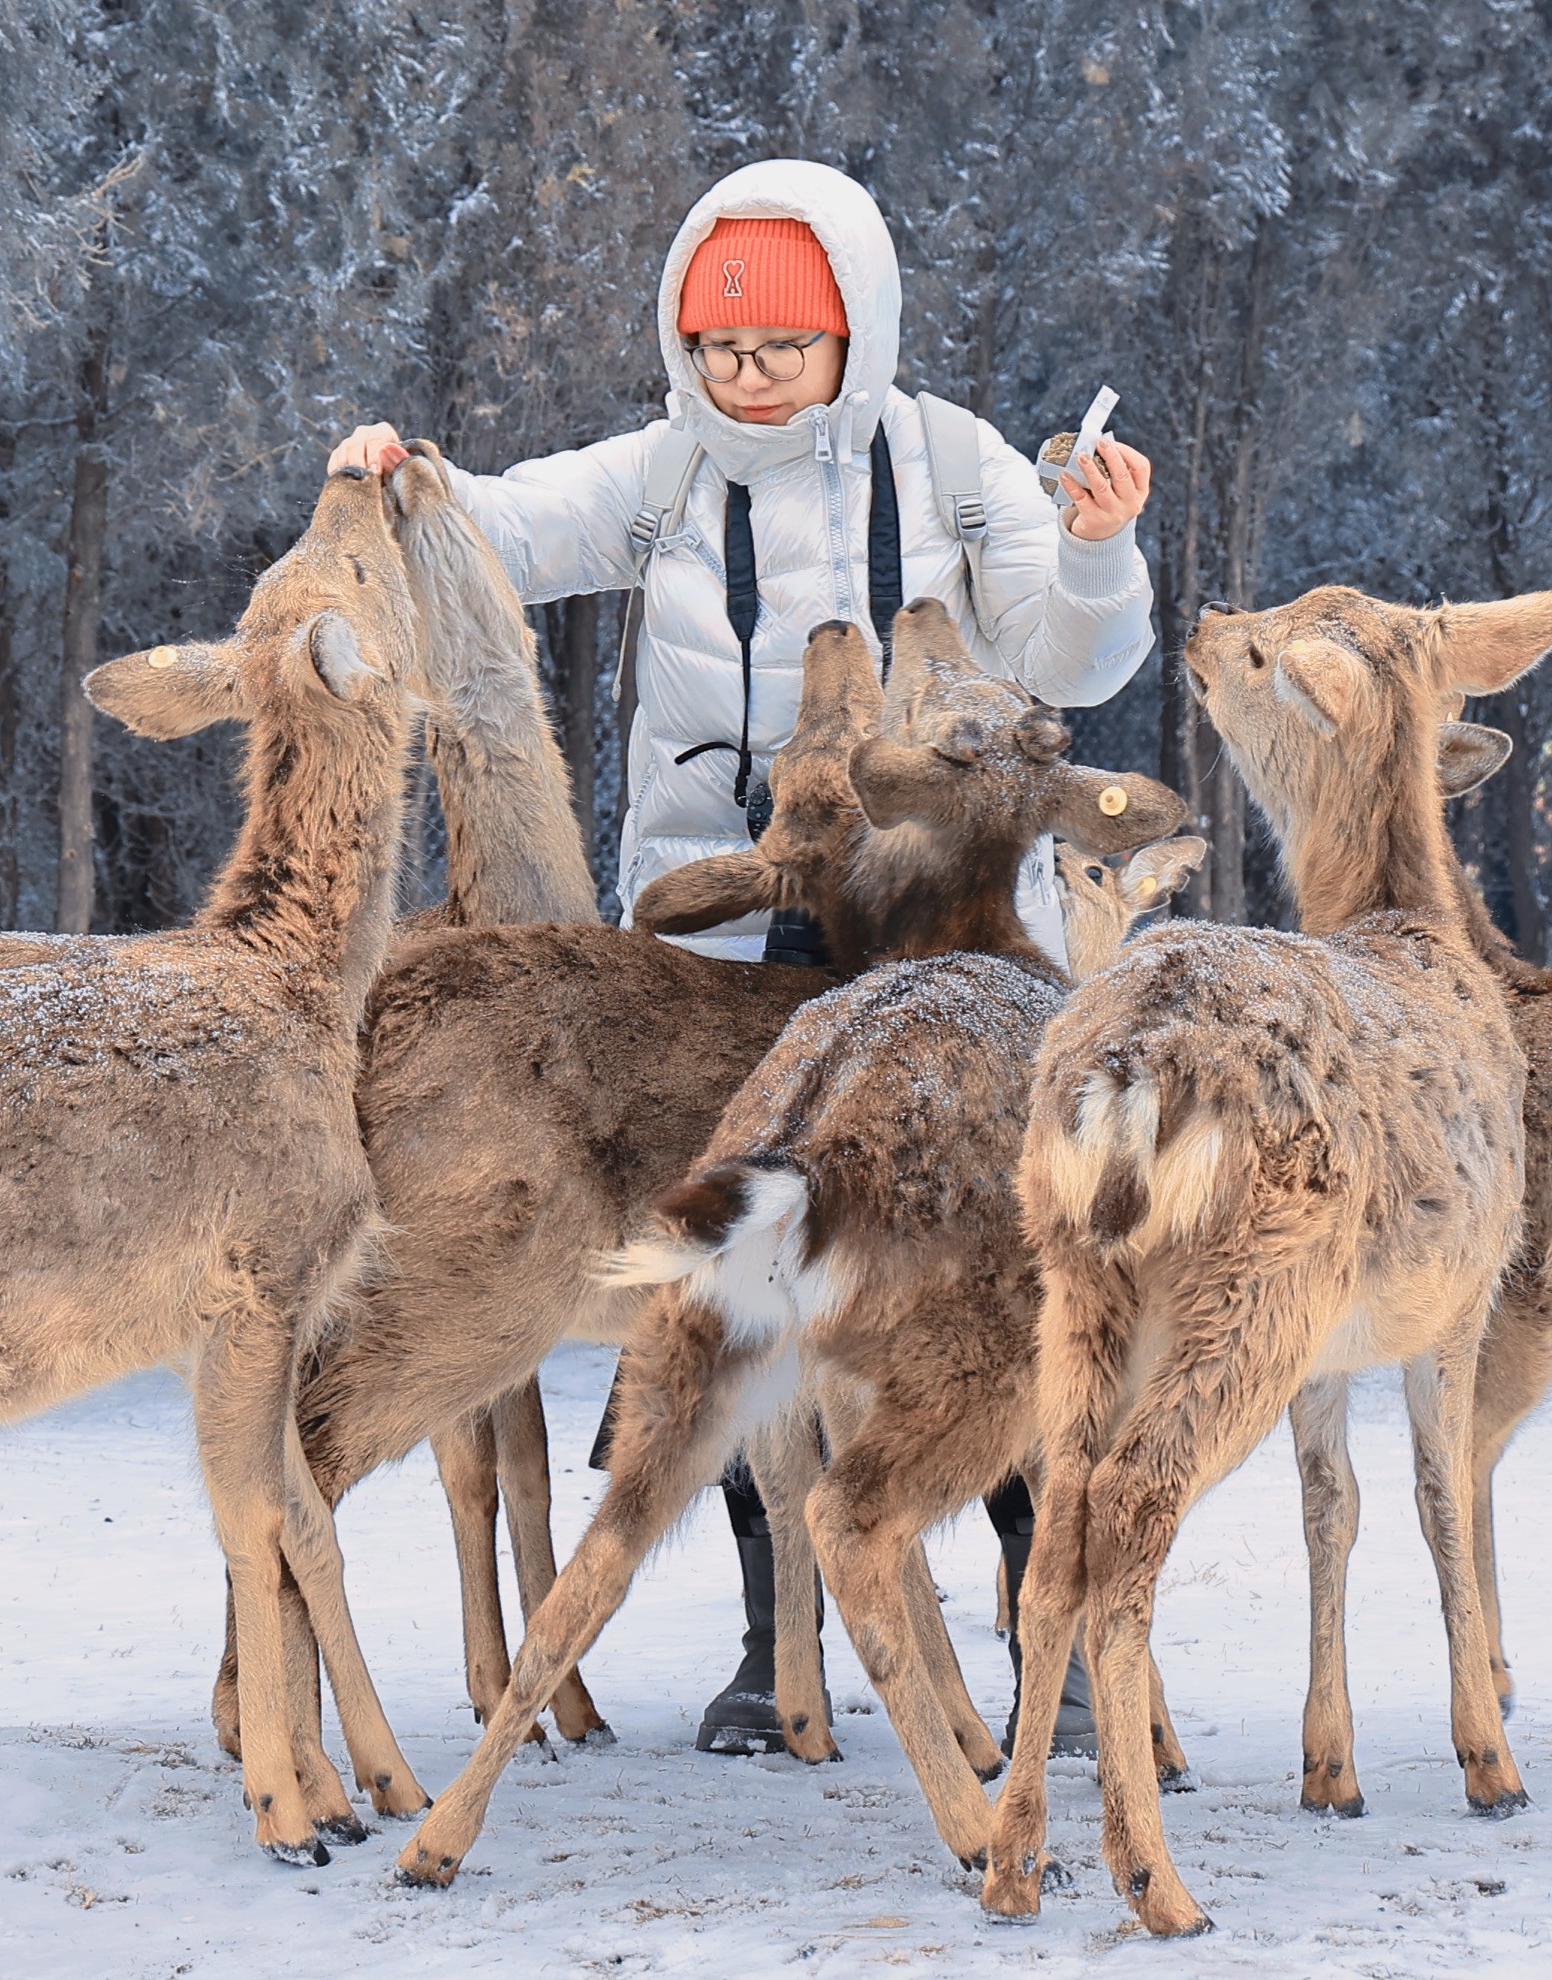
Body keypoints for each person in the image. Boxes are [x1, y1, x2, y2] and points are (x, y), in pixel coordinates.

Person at [331, 157, 1153, 1756]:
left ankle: (1030, 1609)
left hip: (942, 919)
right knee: (759, 1249)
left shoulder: (948, 460)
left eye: (777, 347)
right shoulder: (664, 471)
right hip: (738, 908)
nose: (743, 376)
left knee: (978, 1252)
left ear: (857, 328)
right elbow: (508, 532)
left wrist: (1098, 550)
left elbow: (1070, 654)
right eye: (715, 348)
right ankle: (769, 1639)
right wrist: (405, 487)